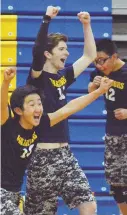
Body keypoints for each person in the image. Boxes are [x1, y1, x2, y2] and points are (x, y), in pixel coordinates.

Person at [1, 67, 112, 214]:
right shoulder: (8, 124)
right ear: (18, 110)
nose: (38, 108)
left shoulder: (41, 124)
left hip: (14, 194)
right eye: (32, 104)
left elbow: (69, 109)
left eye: (39, 103)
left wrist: (98, 92)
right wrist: (6, 82)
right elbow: (2, 106)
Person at [25, 5, 97, 215]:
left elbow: (89, 55)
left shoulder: (63, 76)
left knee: (89, 205)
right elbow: (37, 50)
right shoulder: (36, 78)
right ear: (48, 54)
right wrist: (46, 19)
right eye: (62, 49)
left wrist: (87, 25)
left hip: (65, 155)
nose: (67, 52)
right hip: (41, 158)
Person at [88, 38, 127, 215]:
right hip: (112, 134)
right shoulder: (100, 72)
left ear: (114, 56)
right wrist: (94, 85)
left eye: (102, 60)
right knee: (115, 182)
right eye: (95, 61)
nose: (99, 65)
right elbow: (91, 93)